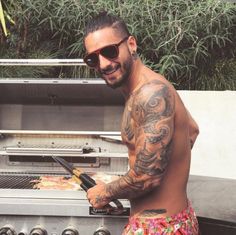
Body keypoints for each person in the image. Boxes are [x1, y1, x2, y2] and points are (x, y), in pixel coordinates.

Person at [83, 11, 200, 235]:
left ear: (131, 44)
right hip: (175, 220)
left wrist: (104, 192)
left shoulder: (150, 94)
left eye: (109, 51)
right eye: (93, 58)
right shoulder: (152, 85)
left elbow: (147, 177)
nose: (104, 64)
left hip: (158, 228)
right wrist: (169, 165)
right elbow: (192, 129)